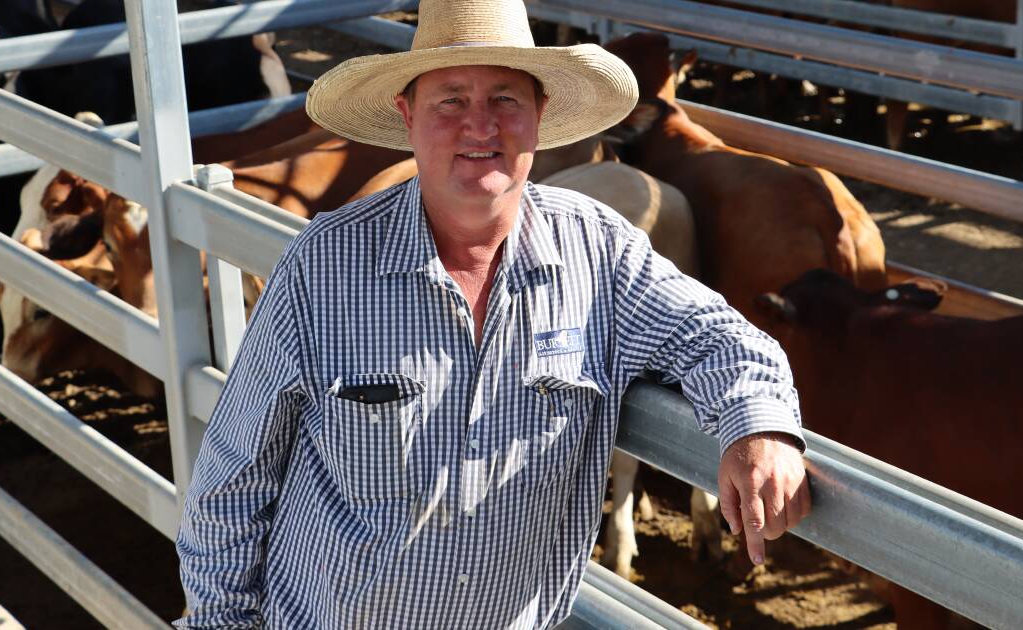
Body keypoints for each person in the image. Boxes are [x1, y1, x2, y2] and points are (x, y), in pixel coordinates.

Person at [175, 0, 811, 627]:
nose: (480, 126)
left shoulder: (598, 250)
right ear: (409, 115)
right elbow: (232, 479)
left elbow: (720, 337)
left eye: (506, 98)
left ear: (540, 115)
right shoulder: (326, 265)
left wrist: (759, 428)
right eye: (451, 98)